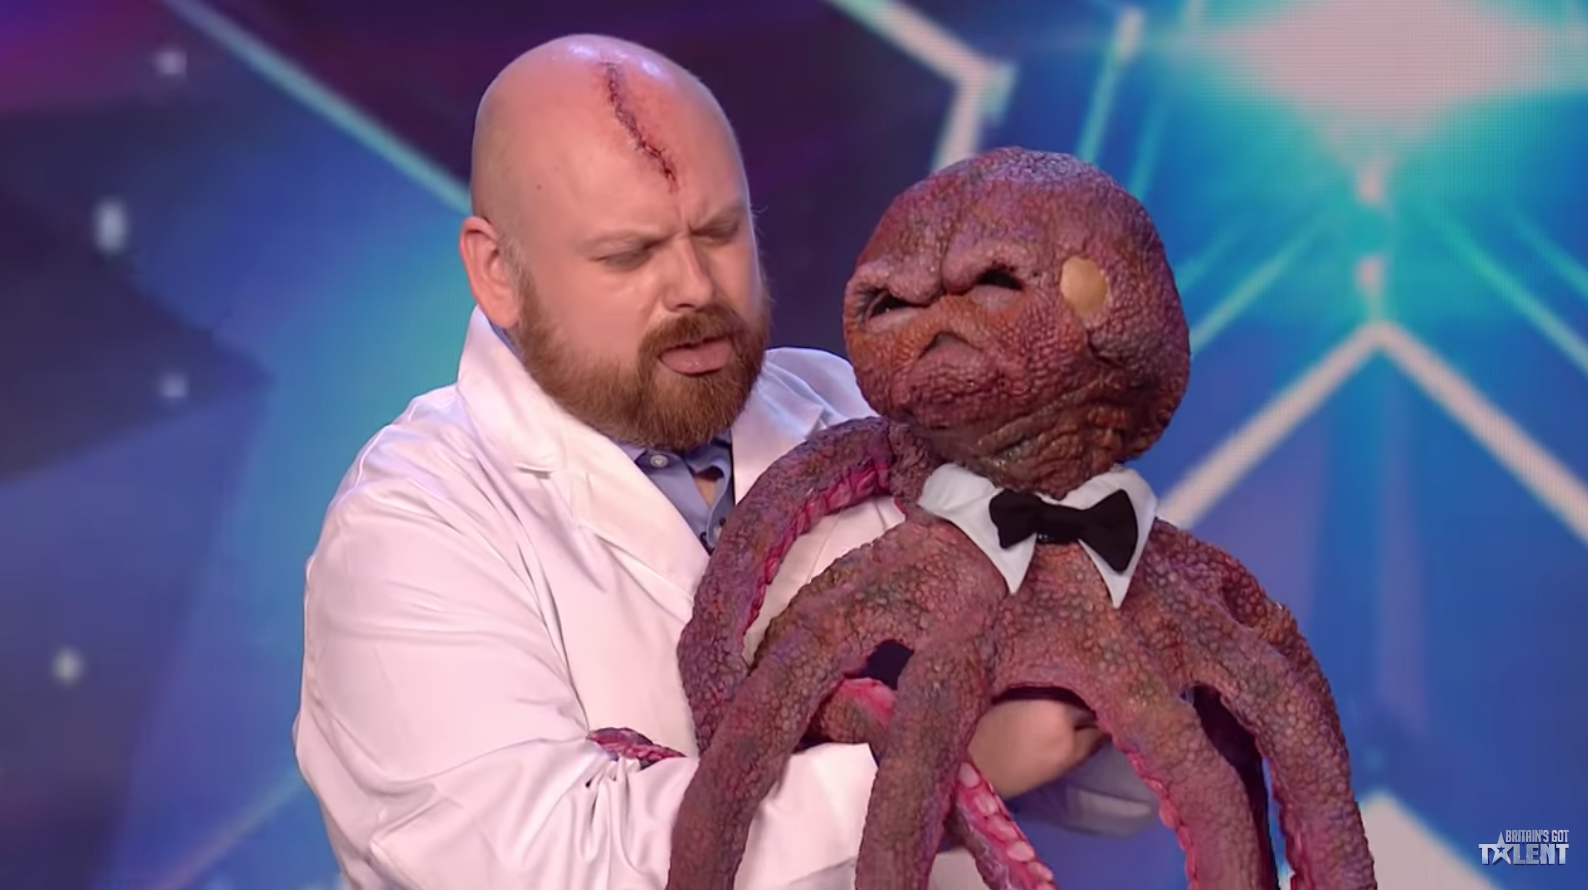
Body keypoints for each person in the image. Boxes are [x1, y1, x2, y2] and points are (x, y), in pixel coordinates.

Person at [293, 33, 1156, 890]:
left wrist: (1102, 654)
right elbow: (540, 865)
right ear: (497, 272)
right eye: (628, 254)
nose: (696, 289)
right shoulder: (409, 524)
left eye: (720, 231)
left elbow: (1110, 788)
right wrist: (936, 760)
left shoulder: (857, 412)